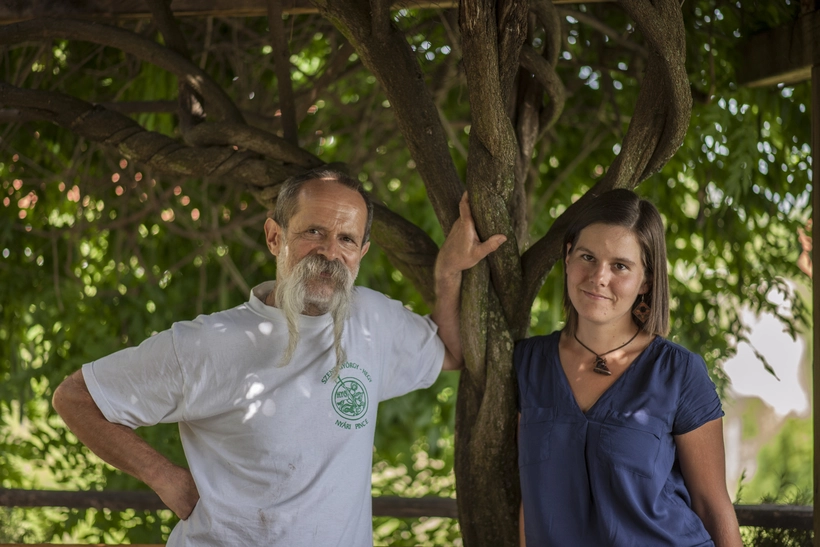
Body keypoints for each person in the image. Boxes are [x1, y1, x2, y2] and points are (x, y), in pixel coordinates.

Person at [52, 167, 505, 547]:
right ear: (274, 236)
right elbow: (76, 398)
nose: (330, 252)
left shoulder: (373, 319)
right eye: (314, 232)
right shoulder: (209, 343)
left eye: (347, 239)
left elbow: (450, 352)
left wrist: (448, 272)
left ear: (362, 253)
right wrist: (166, 478)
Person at [515, 189, 742, 547]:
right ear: (568, 256)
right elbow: (531, 500)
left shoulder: (678, 372)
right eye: (587, 257)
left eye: (620, 265)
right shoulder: (528, 364)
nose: (599, 277)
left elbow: (712, 506)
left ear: (646, 280)